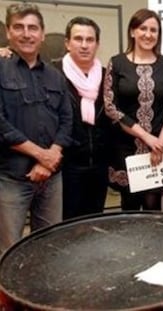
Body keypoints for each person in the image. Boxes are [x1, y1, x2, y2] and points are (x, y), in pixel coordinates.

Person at [0, 3, 72, 254]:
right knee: (10, 251)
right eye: (19, 27)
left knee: (50, 247)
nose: (26, 33)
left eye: (32, 28)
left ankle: (41, 295)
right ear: (8, 32)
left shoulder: (55, 76)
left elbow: (66, 120)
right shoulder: (0, 68)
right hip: (11, 178)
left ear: (42, 34)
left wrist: (50, 159)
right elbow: (2, 126)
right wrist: (42, 155)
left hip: (52, 178)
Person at [104, 9, 163, 211]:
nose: (148, 34)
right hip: (126, 147)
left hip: (158, 149)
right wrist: (147, 137)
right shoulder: (117, 63)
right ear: (132, 32)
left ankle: (154, 244)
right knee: (130, 207)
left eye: (153, 30)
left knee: (154, 207)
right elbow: (111, 107)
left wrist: (159, 142)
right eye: (143, 28)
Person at [56, 17, 110, 220]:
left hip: (99, 165)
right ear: (67, 43)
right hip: (66, 166)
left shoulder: (107, 76)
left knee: (95, 222)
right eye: (78, 39)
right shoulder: (53, 74)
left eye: (90, 39)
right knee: (66, 224)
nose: (85, 45)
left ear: (97, 44)